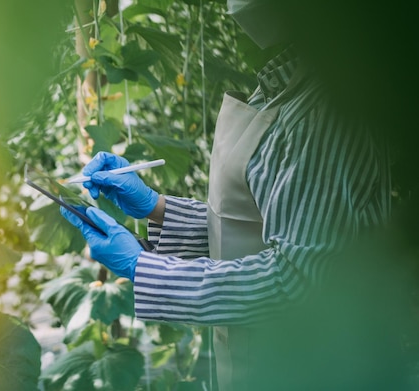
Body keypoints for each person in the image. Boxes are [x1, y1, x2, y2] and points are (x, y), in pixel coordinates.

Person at [61, 0, 394, 389]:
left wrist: (146, 270)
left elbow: (296, 281)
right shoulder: (289, 84)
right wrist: (156, 207)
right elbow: (258, 226)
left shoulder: (325, 109)